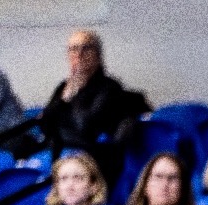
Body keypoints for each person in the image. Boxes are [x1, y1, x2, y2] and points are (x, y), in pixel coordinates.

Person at [39, 31, 148, 191]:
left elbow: (84, 128)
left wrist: (70, 96)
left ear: (97, 55)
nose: (79, 54)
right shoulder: (64, 87)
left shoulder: (109, 88)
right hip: (63, 155)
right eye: (73, 49)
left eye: (86, 48)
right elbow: (45, 126)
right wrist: (65, 98)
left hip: (94, 160)